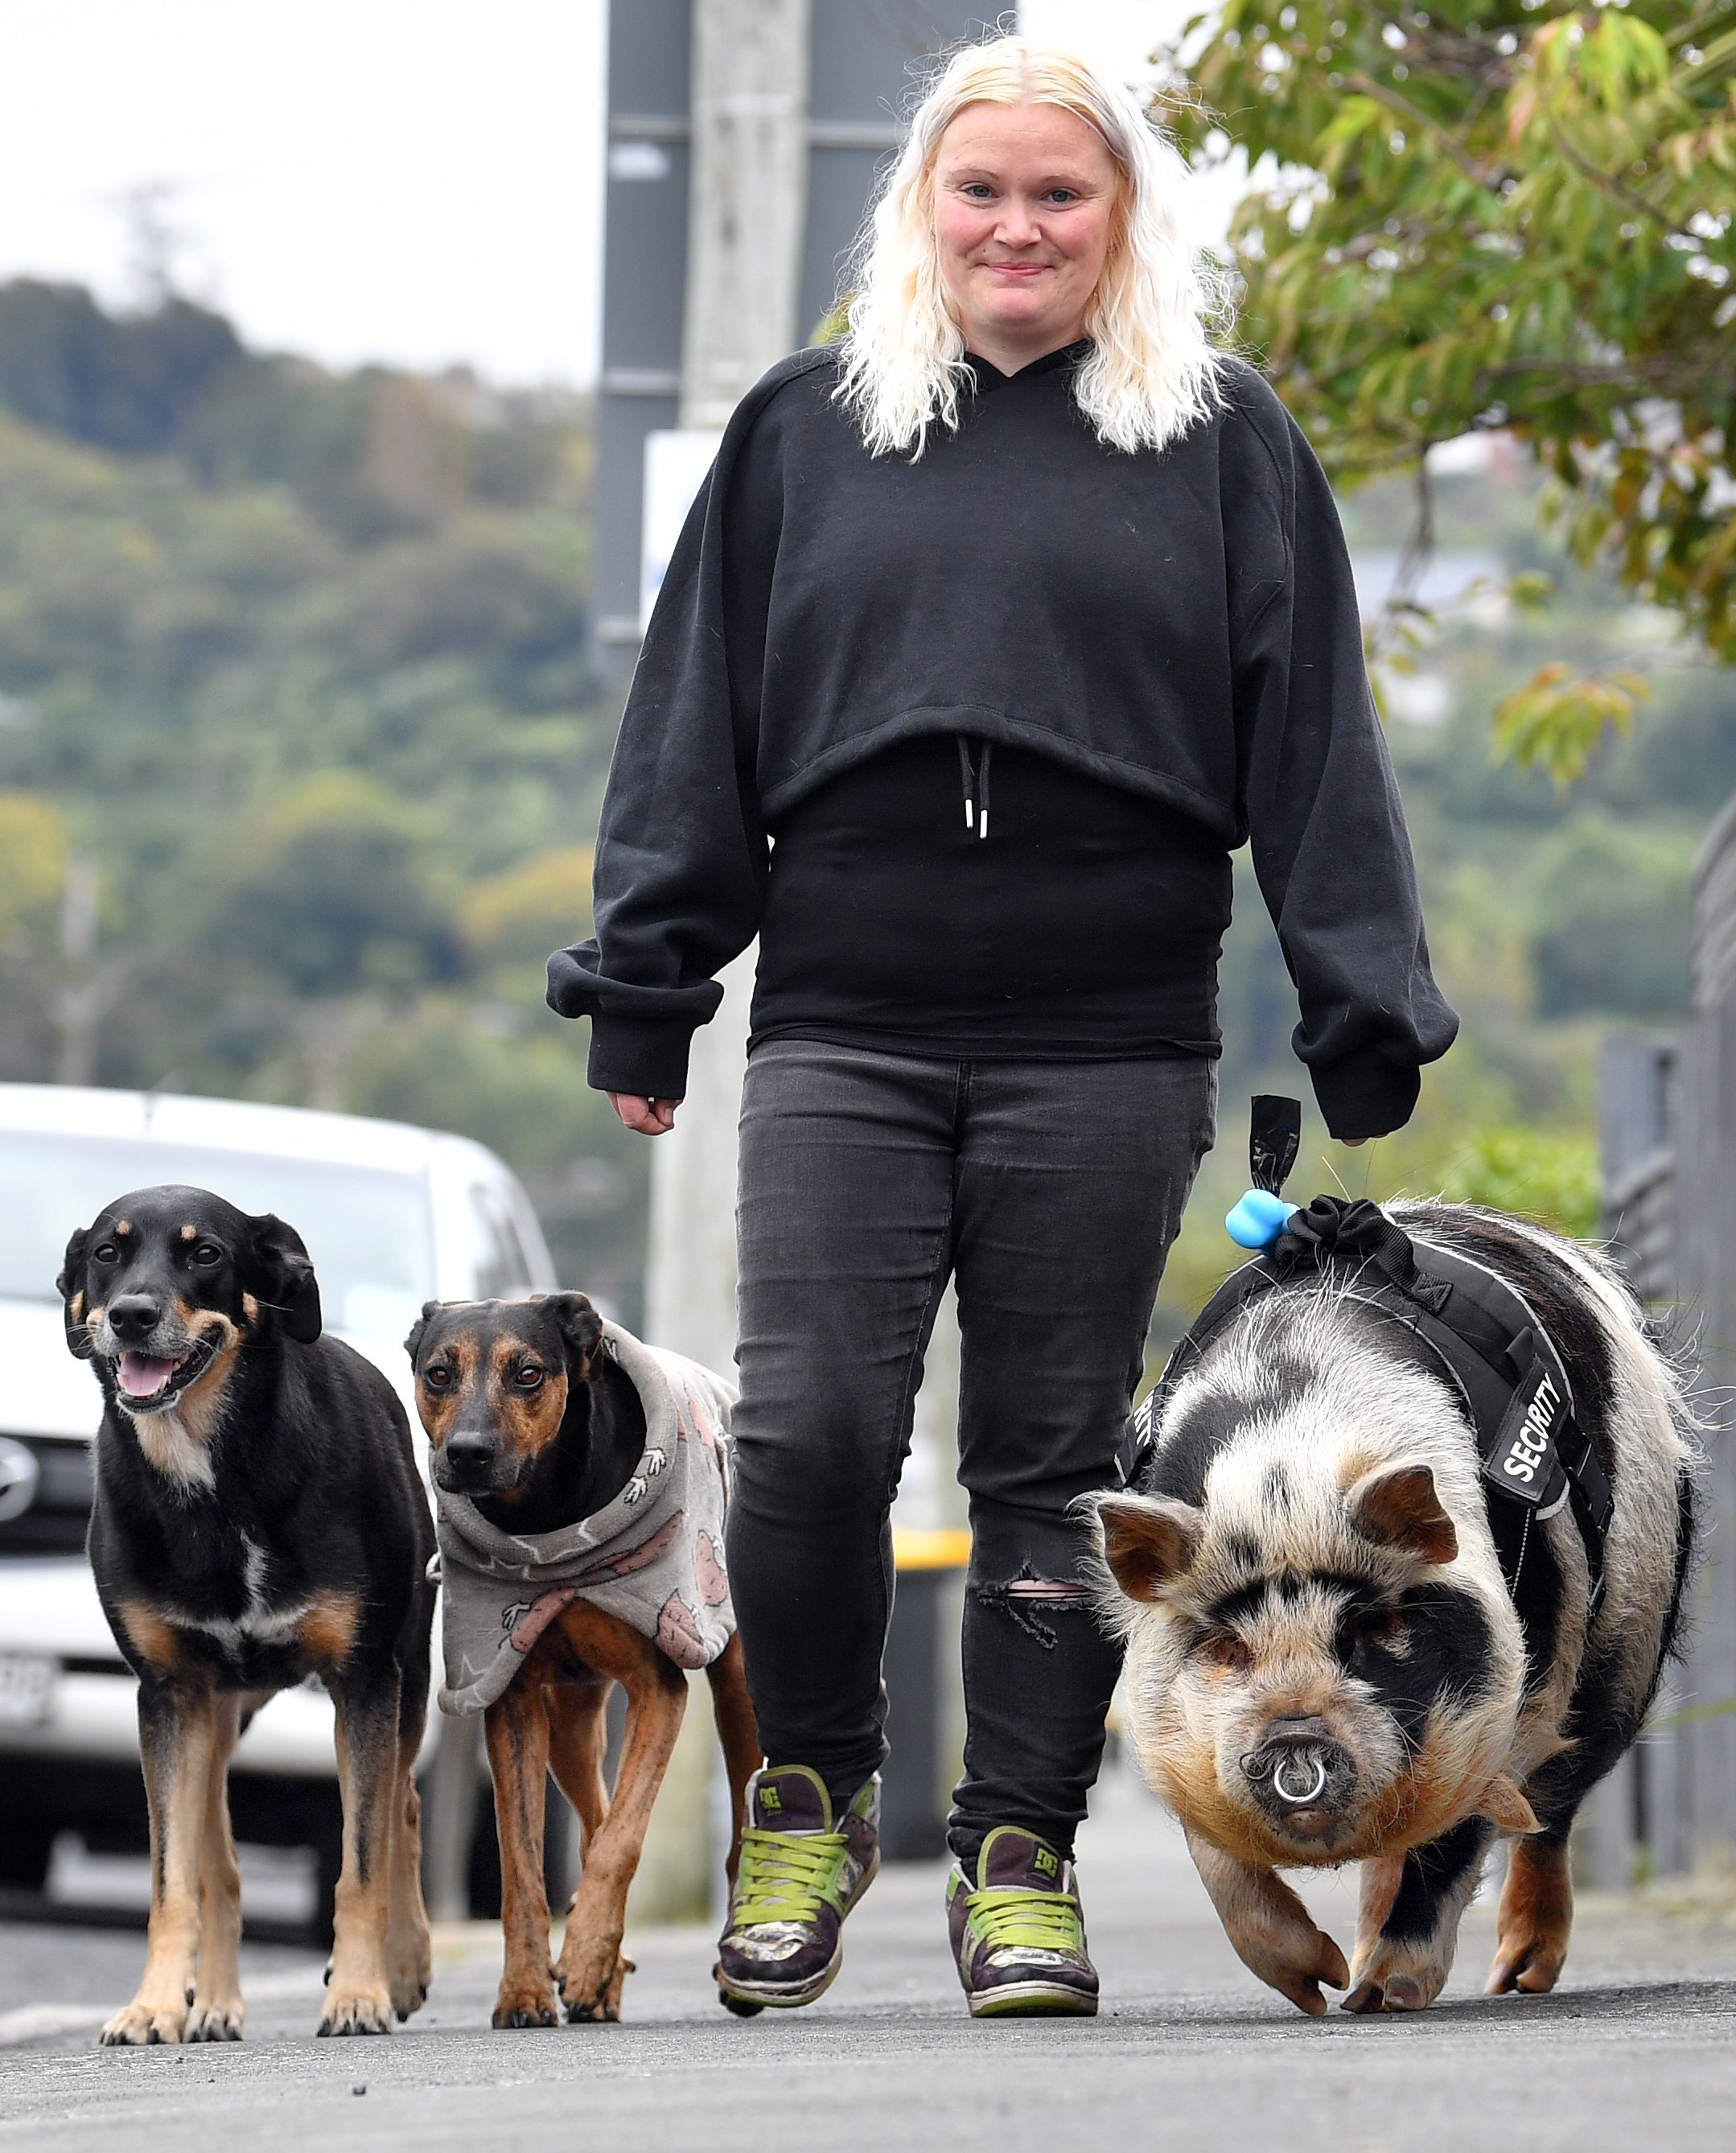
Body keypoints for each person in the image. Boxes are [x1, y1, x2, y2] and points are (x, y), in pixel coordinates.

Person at [547, 34, 1456, 2019]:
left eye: (1061, 192)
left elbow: (1314, 747)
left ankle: (1019, 1861)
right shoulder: (804, 431)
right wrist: (650, 986)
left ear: (1121, 214)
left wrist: (1360, 1003)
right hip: (845, 1023)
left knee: (1056, 1461)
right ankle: (809, 1803)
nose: (1019, 225)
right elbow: (691, 725)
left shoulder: (1219, 440)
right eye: (983, 191)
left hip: (1109, 1032)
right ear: (923, 214)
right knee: (808, 1438)